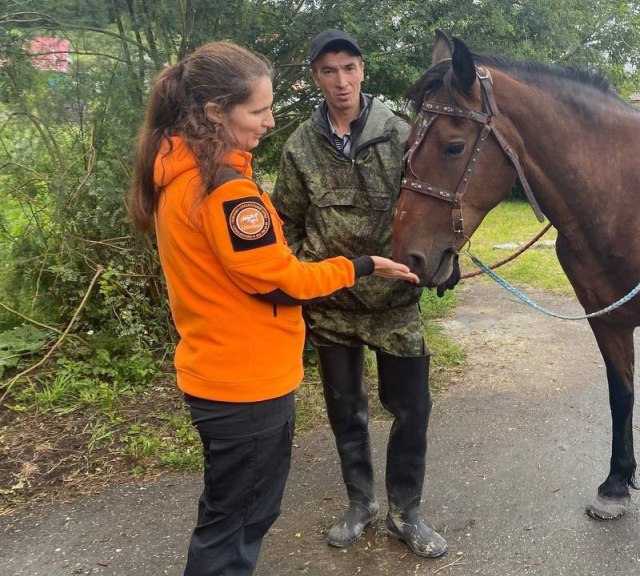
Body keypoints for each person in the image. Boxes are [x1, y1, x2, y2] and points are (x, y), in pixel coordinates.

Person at [126, 40, 418, 576]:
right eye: (258, 110)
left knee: (227, 519)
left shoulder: (182, 173)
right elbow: (281, 282)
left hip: (218, 373)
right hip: (246, 383)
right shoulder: (226, 191)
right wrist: (360, 266)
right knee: (236, 528)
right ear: (216, 113)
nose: (269, 120)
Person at [273, 29, 448, 558]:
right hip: (331, 309)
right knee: (345, 410)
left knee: (411, 409)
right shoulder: (300, 145)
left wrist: (442, 262)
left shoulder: (402, 133)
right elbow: (287, 220)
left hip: (394, 306)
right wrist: (309, 272)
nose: (341, 80)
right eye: (329, 71)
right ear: (316, 79)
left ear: (363, 71)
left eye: (349, 68)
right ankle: (360, 503)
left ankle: (406, 512)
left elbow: (437, 204)